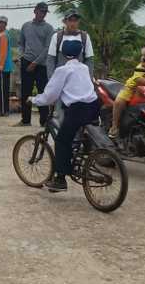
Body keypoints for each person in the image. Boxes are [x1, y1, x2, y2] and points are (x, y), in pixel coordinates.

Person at [30, 42, 102, 193]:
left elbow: (50, 95)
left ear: (62, 54)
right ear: (80, 53)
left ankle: (60, 179)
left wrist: (34, 100)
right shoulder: (84, 68)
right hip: (94, 105)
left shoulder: (62, 70)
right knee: (76, 133)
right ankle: (86, 155)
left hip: (77, 109)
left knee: (62, 140)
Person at [109, 45, 145, 138]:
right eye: (142, 56)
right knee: (119, 102)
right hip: (132, 88)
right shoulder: (140, 67)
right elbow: (139, 80)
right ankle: (114, 125)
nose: (142, 58)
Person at [15, 2, 54, 127]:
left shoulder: (49, 28)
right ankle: (25, 120)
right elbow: (21, 43)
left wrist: (35, 62)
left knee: (43, 92)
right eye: (41, 11)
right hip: (26, 62)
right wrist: (21, 56)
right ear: (35, 11)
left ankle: (44, 121)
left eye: (45, 12)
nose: (43, 14)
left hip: (42, 65)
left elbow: (48, 48)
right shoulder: (26, 26)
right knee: (26, 91)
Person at [47, 11, 94, 78]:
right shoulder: (57, 37)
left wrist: (88, 78)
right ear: (64, 21)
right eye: (70, 20)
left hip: (79, 78)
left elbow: (89, 60)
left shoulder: (84, 37)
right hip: (60, 78)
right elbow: (51, 60)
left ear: (78, 22)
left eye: (75, 20)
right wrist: (51, 79)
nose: (73, 23)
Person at [0, 15, 13, 117]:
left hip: (3, 68)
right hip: (5, 67)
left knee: (1, 90)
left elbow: (3, 53)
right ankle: (4, 110)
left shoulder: (3, 36)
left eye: (1, 23)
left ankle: (4, 111)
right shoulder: (3, 35)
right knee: (3, 89)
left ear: (5, 25)